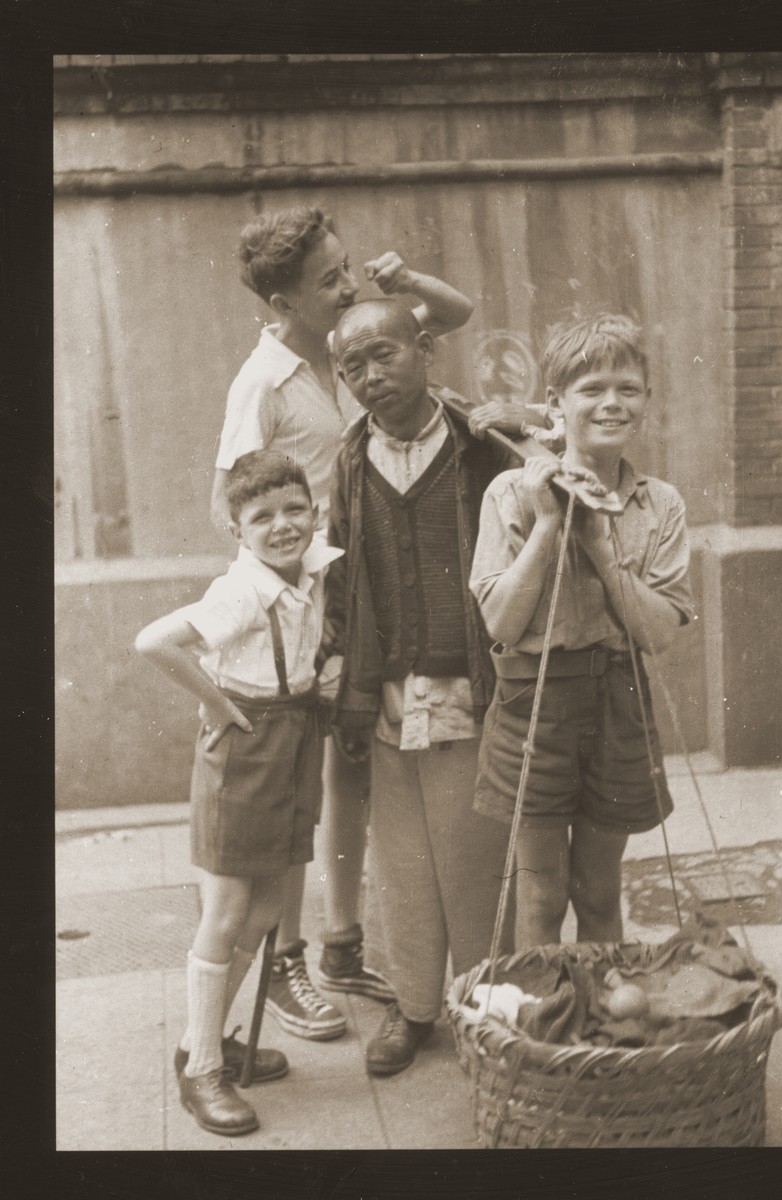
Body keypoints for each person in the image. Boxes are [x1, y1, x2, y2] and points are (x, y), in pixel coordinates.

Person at [211, 207, 475, 1042]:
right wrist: (282, 596)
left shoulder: (357, 338)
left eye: (347, 267)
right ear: (283, 302)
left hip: (364, 586)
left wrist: (402, 283)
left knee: (352, 771)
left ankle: (341, 938)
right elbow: (230, 502)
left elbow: (454, 315)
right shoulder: (263, 381)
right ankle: (288, 957)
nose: (349, 284)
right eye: (328, 280)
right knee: (302, 783)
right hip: (304, 602)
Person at [324, 299, 515, 1077]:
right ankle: (414, 1011)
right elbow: (340, 575)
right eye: (352, 368)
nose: (371, 378)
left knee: (475, 861)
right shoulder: (348, 460)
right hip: (386, 695)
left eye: (384, 356)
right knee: (401, 867)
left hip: (472, 688)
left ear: (426, 349)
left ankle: (488, 1010)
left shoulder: (481, 448)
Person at [469, 312, 693, 950]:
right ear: (554, 406)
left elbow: (657, 633)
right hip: (533, 705)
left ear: (645, 401)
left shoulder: (660, 504)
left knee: (599, 890)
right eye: (591, 388)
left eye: (628, 388)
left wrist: (596, 540)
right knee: (541, 894)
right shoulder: (511, 493)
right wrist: (548, 524)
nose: (612, 403)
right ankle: (544, 1034)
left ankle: (599, 1037)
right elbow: (502, 623)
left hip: (619, 698)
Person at [135, 452, 342, 1136]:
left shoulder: (311, 569)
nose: (282, 526)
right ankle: (200, 1074)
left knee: (267, 908)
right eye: (262, 517)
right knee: (227, 909)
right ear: (236, 529)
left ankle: (208, 1036)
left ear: (312, 510)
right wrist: (219, 704)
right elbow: (154, 641)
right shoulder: (241, 591)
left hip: (293, 740)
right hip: (245, 750)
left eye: (294, 510)